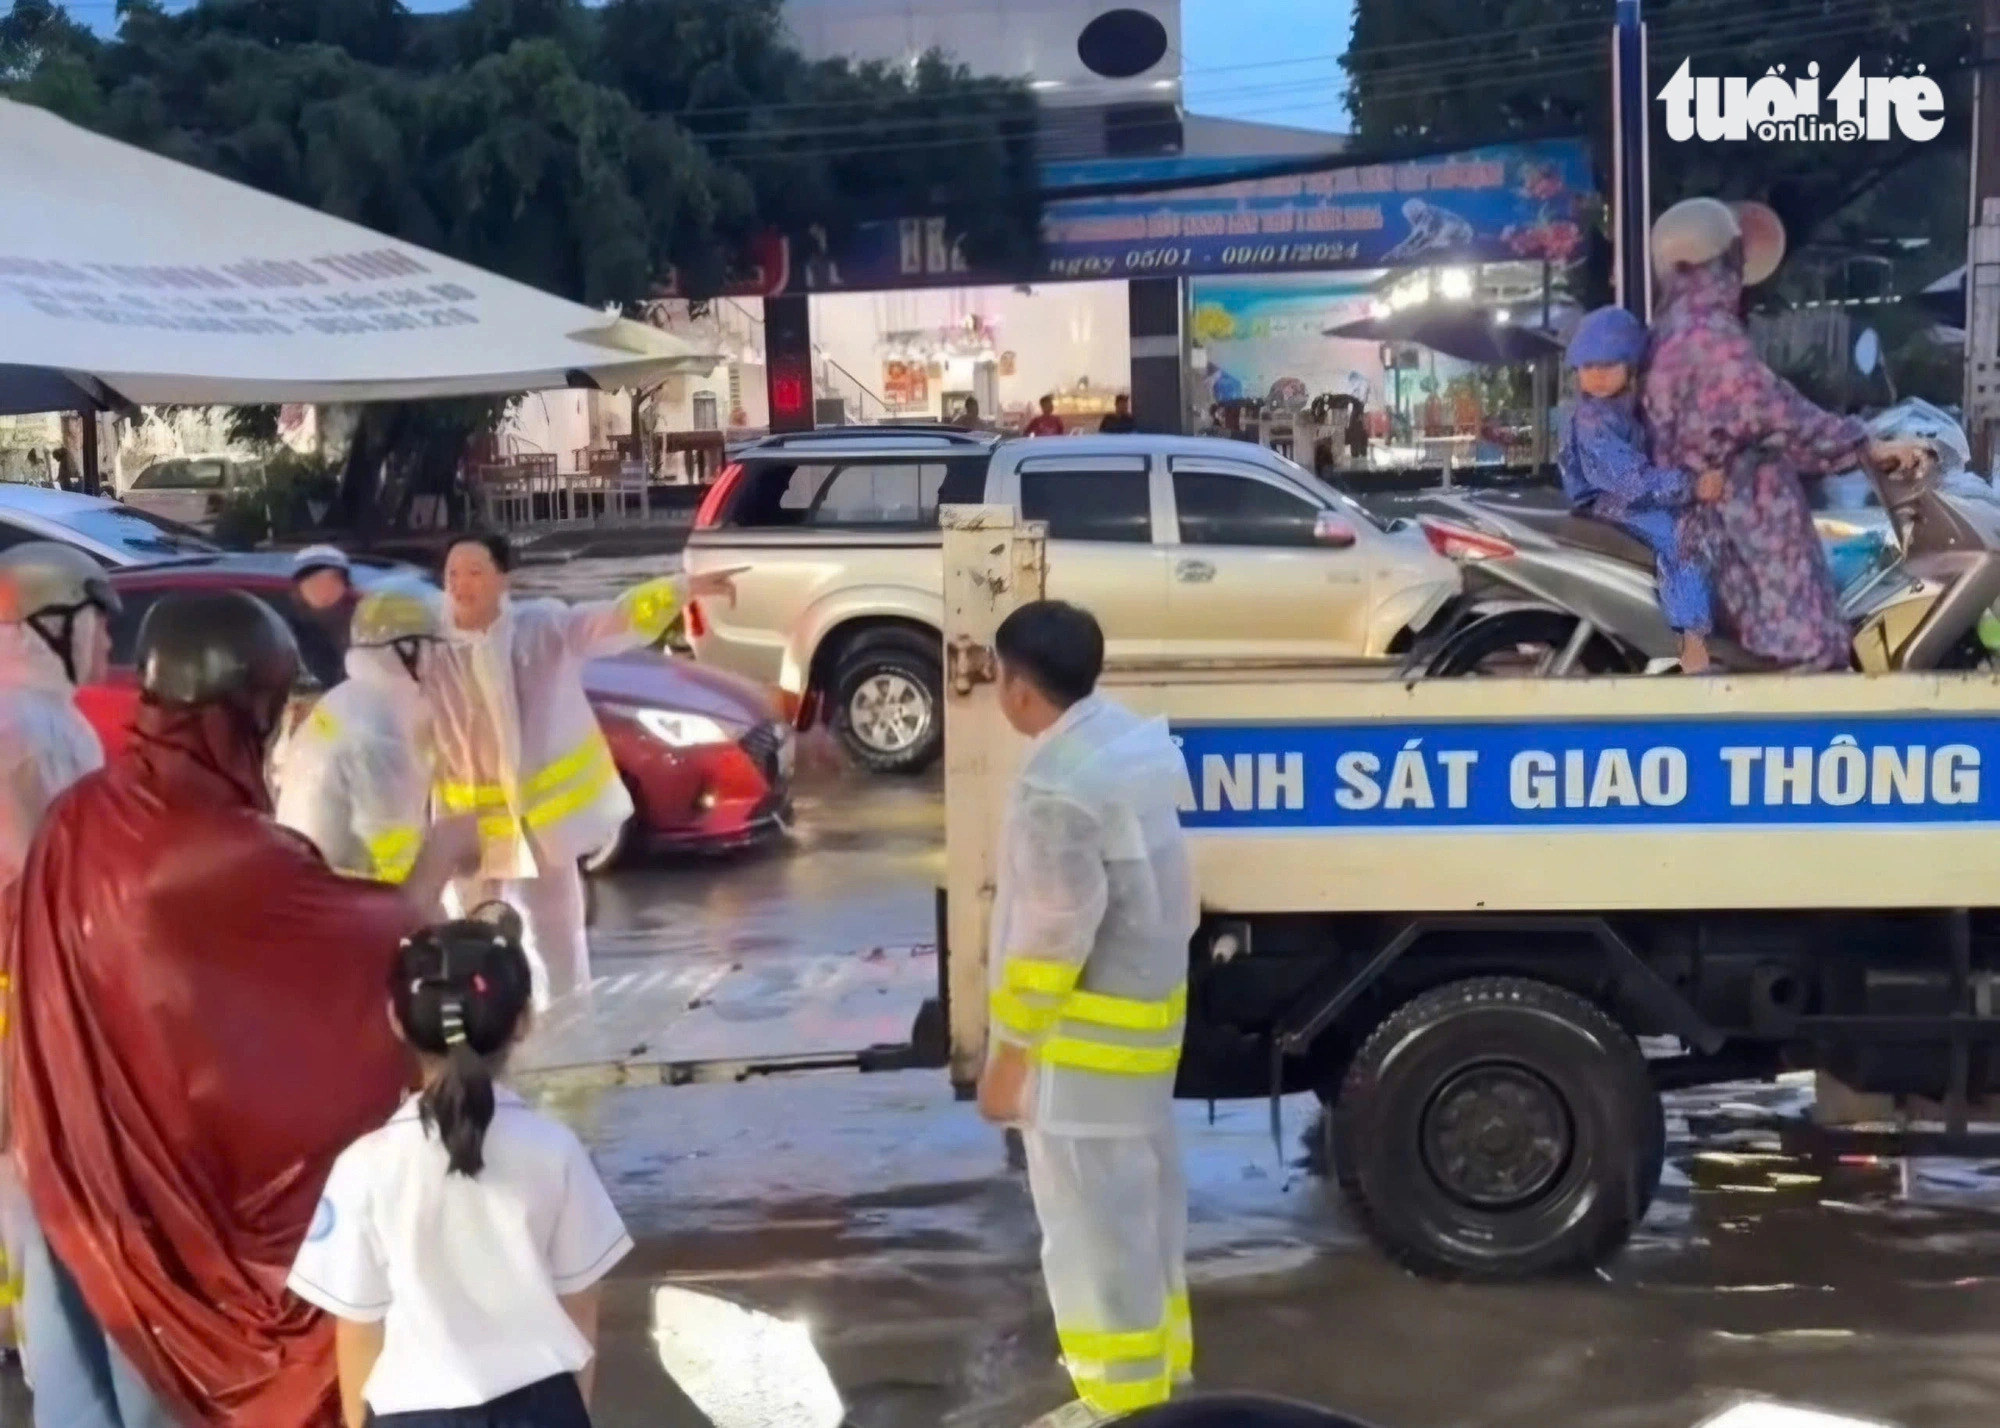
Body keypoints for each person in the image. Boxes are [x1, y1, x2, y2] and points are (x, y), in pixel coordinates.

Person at [5, 590, 474, 1427]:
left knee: (78, 1389)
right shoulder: (233, 852)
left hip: (67, 1172)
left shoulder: (79, 817)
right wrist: (442, 854)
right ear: (241, 714)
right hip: (172, 1220)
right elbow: (369, 942)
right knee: (158, 1389)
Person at [975, 600, 1198, 1428]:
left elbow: (1051, 934)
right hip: (1140, 1043)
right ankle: (1158, 1388)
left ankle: (1119, 1408)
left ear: (1019, 688)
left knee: (1092, 1246)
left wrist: (1010, 1056)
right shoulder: (1125, 744)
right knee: (1142, 1230)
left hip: (1081, 1063)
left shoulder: (1057, 790)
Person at [289, 908, 630, 1428]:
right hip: (542, 1406)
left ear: (396, 1019)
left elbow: (358, 1327)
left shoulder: (364, 1167)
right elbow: (581, 1301)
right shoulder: (555, 1150)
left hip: (414, 1415)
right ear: (524, 1020)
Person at [427, 534, 737, 1008]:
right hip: (470, 828)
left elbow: (613, 619)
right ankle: (485, 1029)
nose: (459, 585)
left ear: (503, 579)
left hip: (538, 824)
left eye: (473, 572)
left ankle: (571, 1024)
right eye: (451, 574)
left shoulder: (540, 629)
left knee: (556, 938)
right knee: (472, 943)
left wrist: (681, 588)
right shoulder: (431, 647)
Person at [1644, 198, 1926, 670]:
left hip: (1700, 511)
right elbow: (1779, 413)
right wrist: (1864, 445)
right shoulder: (1710, 339)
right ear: (1723, 260)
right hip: (1743, 515)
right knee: (1803, 647)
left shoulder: (1671, 328)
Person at [0, 544, 119, 1363]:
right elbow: (63, 870)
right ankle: (38, 1339)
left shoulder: (33, 715)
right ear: (53, 625)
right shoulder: (34, 728)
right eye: (97, 624)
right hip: (25, 974)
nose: (108, 643)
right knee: (28, 1163)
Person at [1559, 305, 1720, 674]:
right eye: (1589, 367)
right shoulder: (1593, 419)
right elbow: (1627, 480)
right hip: (1606, 501)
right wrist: (1690, 484)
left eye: (1608, 366)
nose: (1597, 376)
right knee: (1682, 536)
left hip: (1628, 495)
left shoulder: (1628, 407)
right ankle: (1691, 641)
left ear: (1631, 367)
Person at [276, 582, 445, 888]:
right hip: (344, 888)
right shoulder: (379, 723)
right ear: (408, 648)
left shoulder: (351, 698)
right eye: (434, 647)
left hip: (309, 874)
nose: (438, 660)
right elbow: (393, 848)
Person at [290, 544, 356, 688]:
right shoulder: (287, 636)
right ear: (298, 590)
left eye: (332, 582)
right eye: (313, 583)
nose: (323, 591)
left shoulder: (363, 630)